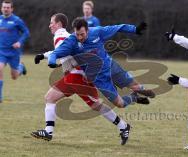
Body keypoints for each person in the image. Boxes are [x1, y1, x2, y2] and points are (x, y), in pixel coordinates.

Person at [31, 13, 132, 145]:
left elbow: (65, 54)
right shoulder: (67, 36)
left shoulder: (59, 35)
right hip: (73, 76)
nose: (50, 25)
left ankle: (123, 126)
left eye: (52, 22)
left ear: (59, 24)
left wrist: (54, 61)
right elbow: (64, 51)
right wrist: (43, 55)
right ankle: (48, 132)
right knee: (50, 97)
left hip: (78, 77)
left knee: (96, 105)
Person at [48, 17, 155, 109]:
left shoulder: (97, 32)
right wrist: (51, 61)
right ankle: (134, 98)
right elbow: (56, 53)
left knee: (135, 86)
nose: (80, 37)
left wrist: (135, 29)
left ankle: (142, 90)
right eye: (77, 34)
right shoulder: (71, 41)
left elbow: (118, 27)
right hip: (99, 79)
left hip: (111, 67)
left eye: (82, 34)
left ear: (88, 30)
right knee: (120, 104)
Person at [0, 0, 29, 102]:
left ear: (12, 9)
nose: (6, 9)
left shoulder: (17, 20)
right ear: (1, 8)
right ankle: (0, 97)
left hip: (13, 53)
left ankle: (21, 67)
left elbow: (26, 32)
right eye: (4, 7)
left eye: (8, 7)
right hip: (1, 52)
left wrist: (19, 42)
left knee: (14, 76)